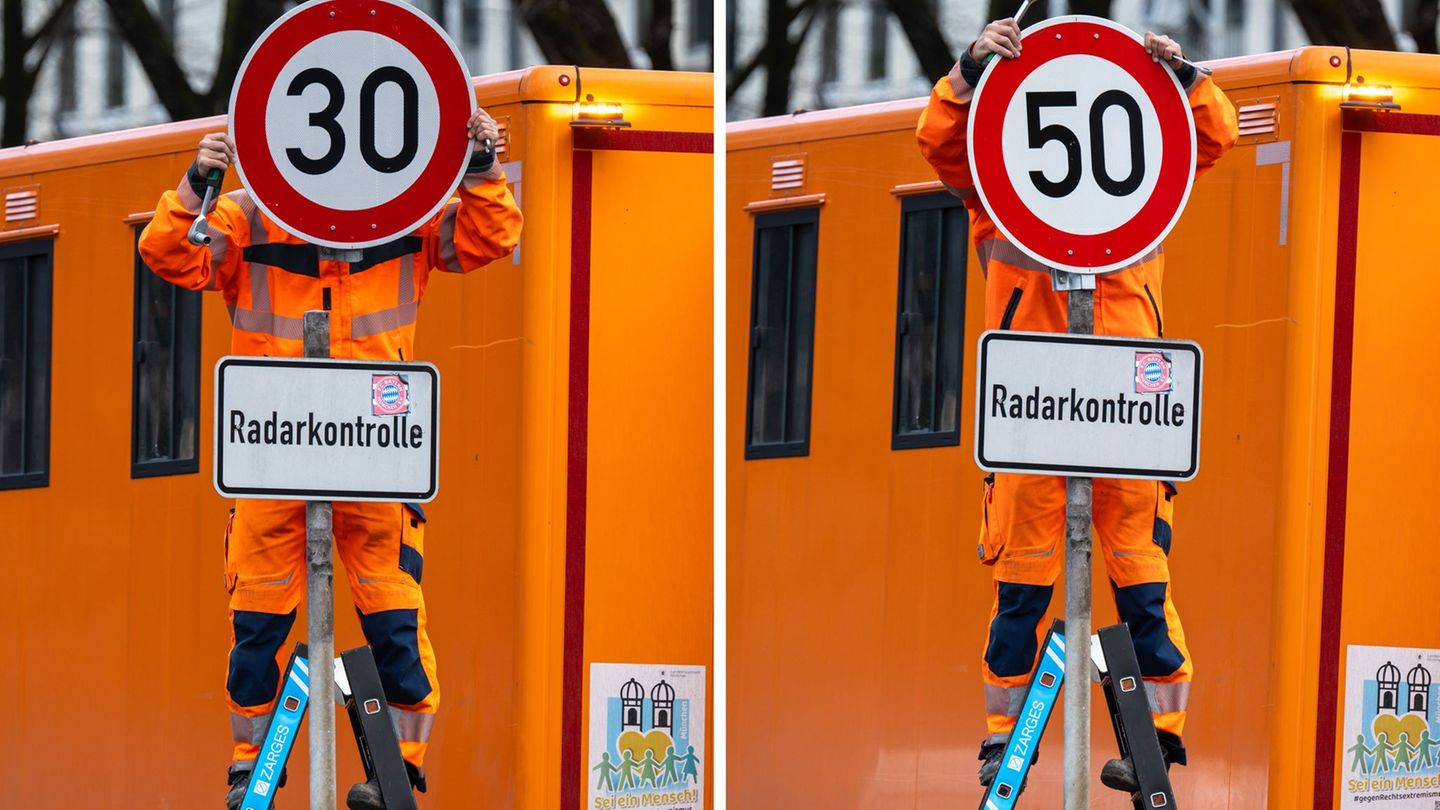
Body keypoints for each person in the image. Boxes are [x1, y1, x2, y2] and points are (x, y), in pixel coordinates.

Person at [138, 106, 523, 810]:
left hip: (366, 457)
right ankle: (250, 770)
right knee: (259, 621)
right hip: (283, 459)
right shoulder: (244, 217)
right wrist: (198, 179)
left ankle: (398, 772)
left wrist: (481, 166)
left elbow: (491, 235)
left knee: (393, 617)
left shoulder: (405, 216)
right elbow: (167, 252)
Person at [915, 16, 1238, 798]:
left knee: (1139, 583)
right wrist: (967, 70)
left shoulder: (1148, 180)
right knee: (1024, 589)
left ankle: (1155, 741)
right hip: (1047, 406)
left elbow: (1214, 133)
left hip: (1108, 405)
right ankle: (1004, 743)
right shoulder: (998, 189)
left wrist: (1182, 75)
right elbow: (939, 140)